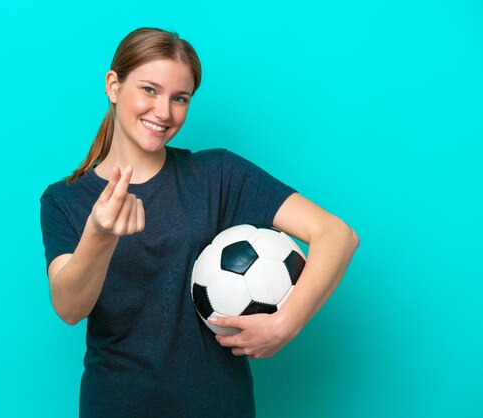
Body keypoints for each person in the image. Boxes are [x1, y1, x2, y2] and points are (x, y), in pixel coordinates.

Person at [40, 27, 360, 418]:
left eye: (180, 98)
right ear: (113, 85)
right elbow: (70, 308)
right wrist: (100, 234)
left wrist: (286, 324)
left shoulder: (216, 174)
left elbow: (337, 235)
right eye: (149, 90)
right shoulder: (65, 199)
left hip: (218, 405)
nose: (163, 112)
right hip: (117, 404)